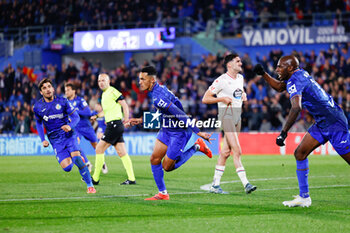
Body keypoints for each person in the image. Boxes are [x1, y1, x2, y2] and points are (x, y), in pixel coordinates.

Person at [254, 55, 350, 207]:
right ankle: (304, 197)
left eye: (280, 67)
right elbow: (280, 87)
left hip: (334, 123)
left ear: (290, 68)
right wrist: (264, 74)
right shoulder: (297, 74)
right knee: (300, 153)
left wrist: (284, 132)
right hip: (322, 122)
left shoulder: (295, 79)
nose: (277, 69)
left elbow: (296, 107)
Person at [129, 66, 214, 201]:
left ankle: (197, 146)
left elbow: (180, 114)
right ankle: (163, 193)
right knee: (154, 159)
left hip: (179, 132)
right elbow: (161, 113)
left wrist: (198, 132)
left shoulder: (158, 96)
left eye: (142, 79)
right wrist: (140, 120)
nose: (139, 82)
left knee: (167, 167)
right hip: (167, 128)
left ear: (151, 81)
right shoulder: (156, 90)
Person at [202, 53, 257, 194]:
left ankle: (215, 185)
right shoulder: (221, 80)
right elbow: (205, 98)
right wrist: (221, 99)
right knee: (237, 150)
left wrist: (243, 94)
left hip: (237, 117)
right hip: (226, 116)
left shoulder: (240, 78)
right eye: (238, 61)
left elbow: (239, 92)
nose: (241, 63)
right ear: (229, 65)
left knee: (226, 152)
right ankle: (246, 184)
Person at [33, 78, 96, 194]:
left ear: (53, 88)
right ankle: (77, 157)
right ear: (41, 92)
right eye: (44, 88)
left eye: (49, 87)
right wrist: (43, 139)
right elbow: (38, 123)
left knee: (76, 158)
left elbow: (76, 117)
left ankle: (90, 186)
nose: (47, 89)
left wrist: (70, 126)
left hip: (69, 135)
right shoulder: (37, 107)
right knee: (67, 168)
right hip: (55, 140)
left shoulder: (63, 101)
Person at [90, 73, 136, 185]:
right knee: (122, 152)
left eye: (103, 80)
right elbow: (105, 112)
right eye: (99, 80)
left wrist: (126, 120)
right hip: (113, 125)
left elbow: (125, 105)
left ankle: (95, 179)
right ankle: (131, 179)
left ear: (108, 81)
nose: (101, 82)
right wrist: (96, 116)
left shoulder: (112, 91)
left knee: (99, 149)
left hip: (114, 125)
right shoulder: (104, 95)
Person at [64, 83, 108, 174]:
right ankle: (87, 163)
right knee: (76, 145)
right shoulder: (66, 103)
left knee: (97, 147)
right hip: (76, 128)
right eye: (65, 90)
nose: (66, 92)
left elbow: (87, 112)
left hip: (86, 127)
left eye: (68, 90)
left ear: (73, 91)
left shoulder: (80, 100)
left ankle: (102, 162)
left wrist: (76, 110)